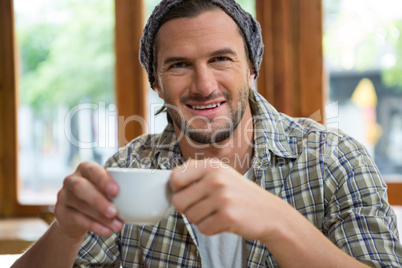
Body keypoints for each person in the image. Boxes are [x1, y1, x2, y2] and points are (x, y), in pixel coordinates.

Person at [12, 0, 402, 267]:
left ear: (252, 70)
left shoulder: (336, 160)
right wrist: (65, 230)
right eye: (179, 65)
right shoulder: (127, 171)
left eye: (220, 59)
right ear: (157, 85)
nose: (203, 85)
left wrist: (278, 221)